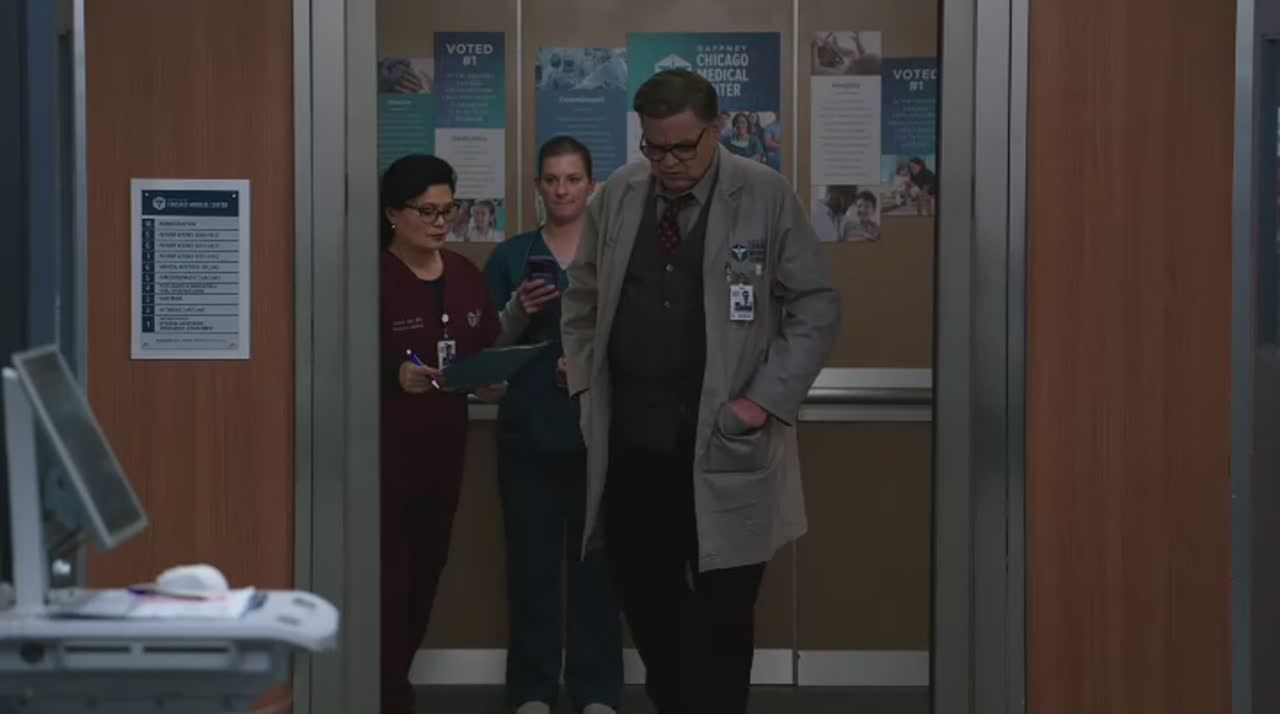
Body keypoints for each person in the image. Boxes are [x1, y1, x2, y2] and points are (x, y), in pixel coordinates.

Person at [561, 69, 840, 714]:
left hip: (724, 443)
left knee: (723, 616)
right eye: (654, 147)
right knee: (647, 602)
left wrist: (761, 402)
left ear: (715, 131)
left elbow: (817, 305)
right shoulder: (620, 195)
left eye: (683, 147)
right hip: (635, 449)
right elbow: (582, 296)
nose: (668, 162)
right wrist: (582, 382)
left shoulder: (764, 194)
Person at [483, 137, 623, 714]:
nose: (562, 190)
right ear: (538, 186)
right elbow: (485, 348)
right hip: (528, 434)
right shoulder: (512, 258)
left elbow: (638, 337)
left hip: (598, 434)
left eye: (572, 179)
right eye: (551, 179)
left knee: (598, 568)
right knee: (531, 567)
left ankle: (598, 690)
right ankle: (533, 689)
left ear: (592, 186)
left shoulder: (614, 255)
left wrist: (588, 366)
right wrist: (519, 311)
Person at [379, 153, 507, 714]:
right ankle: (386, 695)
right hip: (385, 458)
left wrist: (492, 383)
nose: (439, 222)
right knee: (387, 585)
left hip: (444, 453)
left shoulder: (465, 276)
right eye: (426, 211)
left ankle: (392, 684)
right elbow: (336, 363)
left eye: (447, 210)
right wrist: (394, 375)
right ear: (392, 214)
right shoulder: (373, 277)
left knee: (426, 576)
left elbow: (485, 353)